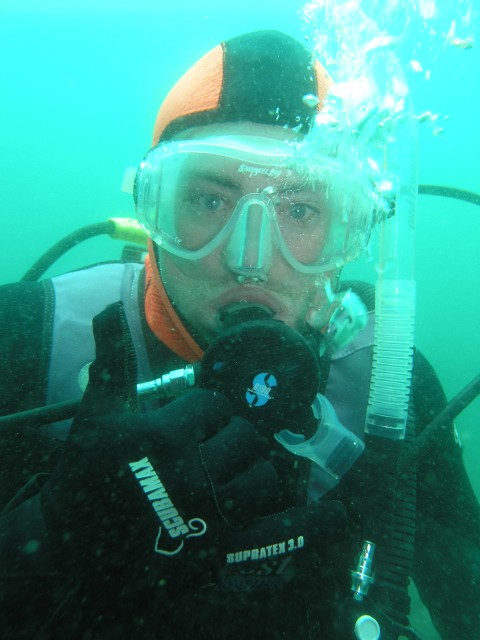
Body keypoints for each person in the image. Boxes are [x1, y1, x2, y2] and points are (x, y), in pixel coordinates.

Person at [0, 29, 479, 640]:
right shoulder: (28, 339)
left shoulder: (387, 383)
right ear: (153, 207)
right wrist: (53, 535)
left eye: (299, 210)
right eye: (209, 200)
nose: (249, 260)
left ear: (348, 232)